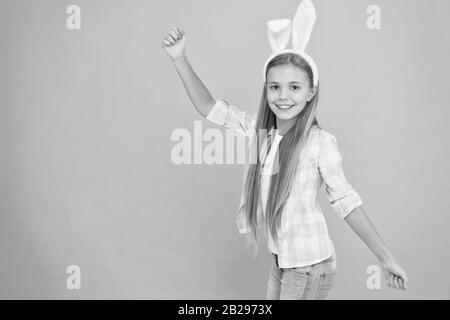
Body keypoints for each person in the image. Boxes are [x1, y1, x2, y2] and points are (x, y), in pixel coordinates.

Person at [161, 1, 408, 300]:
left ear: (311, 91)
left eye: (294, 87)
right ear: (265, 89)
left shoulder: (320, 143)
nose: (283, 96)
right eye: (274, 87)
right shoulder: (260, 132)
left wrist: (385, 257)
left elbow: (347, 203)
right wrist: (179, 59)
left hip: (309, 268)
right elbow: (209, 108)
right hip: (282, 263)